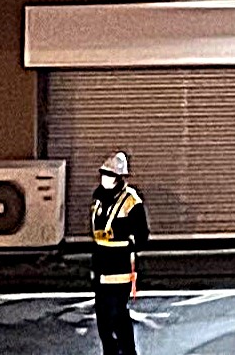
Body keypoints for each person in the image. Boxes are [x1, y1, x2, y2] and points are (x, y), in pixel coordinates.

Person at [87, 151, 147, 355]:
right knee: (103, 320)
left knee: (118, 316)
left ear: (120, 177)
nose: (105, 178)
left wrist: (123, 241)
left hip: (119, 269)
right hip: (100, 267)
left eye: (110, 175)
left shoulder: (131, 200)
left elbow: (141, 236)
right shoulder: (99, 200)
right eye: (104, 174)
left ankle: (128, 353)